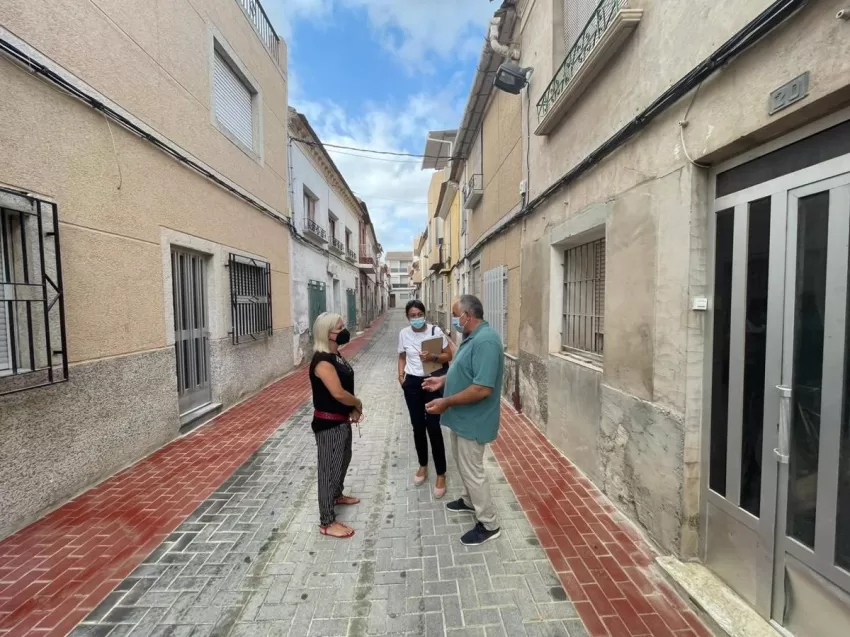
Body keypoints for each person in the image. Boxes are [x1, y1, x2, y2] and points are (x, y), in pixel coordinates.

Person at [424, 295, 505, 546]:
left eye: (455, 314)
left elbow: (482, 388)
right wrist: (442, 380)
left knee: (473, 471)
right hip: (461, 418)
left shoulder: (486, 341)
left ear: (467, 316)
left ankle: (489, 524)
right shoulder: (471, 337)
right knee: (462, 464)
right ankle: (470, 501)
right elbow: (463, 370)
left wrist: (446, 402)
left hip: (474, 421)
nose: (453, 320)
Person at [309, 312, 362, 538]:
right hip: (328, 425)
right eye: (339, 328)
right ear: (327, 333)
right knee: (328, 471)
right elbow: (338, 393)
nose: (344, 331)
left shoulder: (335, 355)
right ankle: (327, 521)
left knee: (343, 459)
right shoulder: (322, 361)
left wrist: (351, 410)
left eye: (343, 326)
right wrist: (357, 403)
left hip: (341, 420)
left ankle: (336, 495)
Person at [397, 300, 453, 498]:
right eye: (413, 315)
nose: (417, 318)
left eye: (419, 314)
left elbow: (449, 356)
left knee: (433, 426)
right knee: (418, 426)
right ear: (407, 317)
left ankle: (441, 473)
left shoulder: (435, 331)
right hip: (412, 383)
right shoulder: (403, 334)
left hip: (432, 381)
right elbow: (402, 356)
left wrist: (432, 357)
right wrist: (401, 377)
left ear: (424, 314)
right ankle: (423, 465)